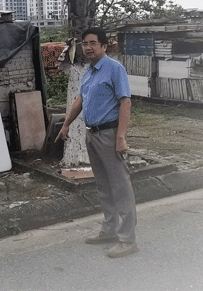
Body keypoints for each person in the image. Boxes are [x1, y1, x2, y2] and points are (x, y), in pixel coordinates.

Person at [55, 27, 138, 258]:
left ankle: (128, 239)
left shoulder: (114, 69)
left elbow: (125, 103)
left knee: (120, 186)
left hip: (110, 135)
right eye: (84, 43)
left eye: (92, 43)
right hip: (92, 134)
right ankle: (110, 229)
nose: (88, 47)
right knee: (103, 185)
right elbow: (80, 99)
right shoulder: (89, 72)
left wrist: (121, 138)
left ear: (103, 46)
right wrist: (66, 124)